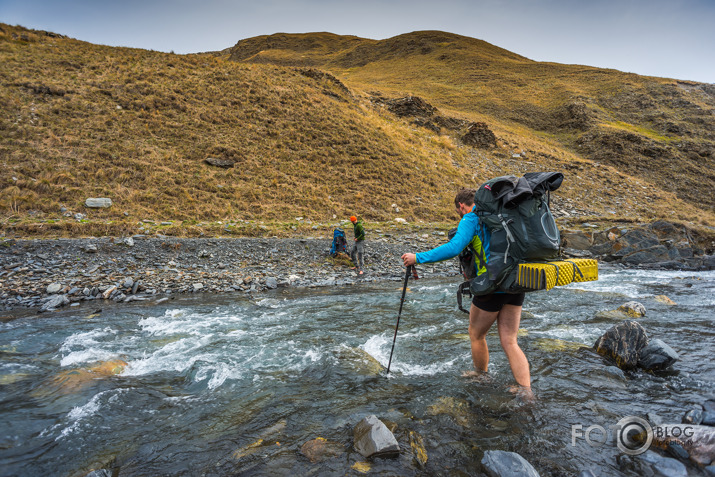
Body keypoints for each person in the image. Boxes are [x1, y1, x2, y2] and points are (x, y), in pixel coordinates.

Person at [401, 189, 532, 397]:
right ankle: (527, 391)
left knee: (476, 334)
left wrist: (418, 257)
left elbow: (454, 248)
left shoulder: (471, 219)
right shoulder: (501, 217)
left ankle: (481, 375)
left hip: (491, 284)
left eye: (458, 210)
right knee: (510, 340)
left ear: (461, 206)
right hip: (516, 282)